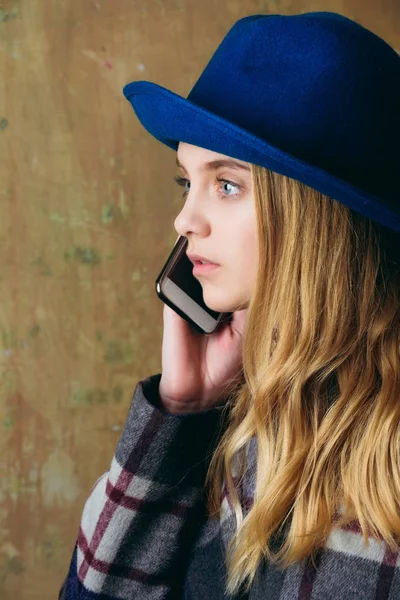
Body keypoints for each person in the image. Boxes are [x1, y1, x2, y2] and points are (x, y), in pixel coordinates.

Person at [59, 11, 400, 600]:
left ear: (316, 216)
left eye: (227, 184)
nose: (184, 220)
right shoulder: (242, 420)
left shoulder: (383, 458)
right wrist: (179, 412)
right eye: (185, 182)